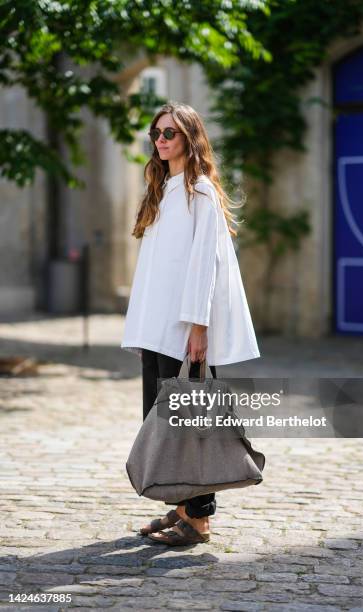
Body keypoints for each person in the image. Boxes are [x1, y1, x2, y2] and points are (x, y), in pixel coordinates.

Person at [121, 101, 260, 546]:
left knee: (192, 425)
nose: (160, 141)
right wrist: (141, 330)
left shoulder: (199, 190)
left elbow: (205, 265)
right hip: (157, 329)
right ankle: (181, 508)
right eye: (156, 134)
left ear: (190, 138)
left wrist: (199, 326)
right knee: (162, 424)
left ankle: (199, 519)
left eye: (170, 133)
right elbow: (154, 271)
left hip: (184, 331)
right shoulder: (162, 189)